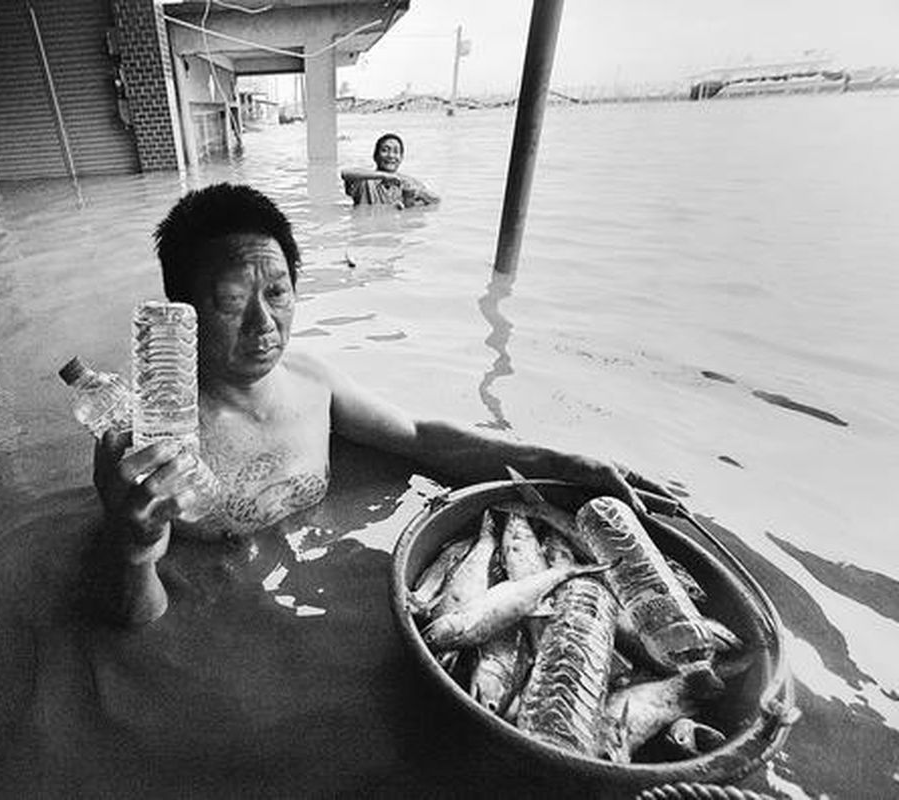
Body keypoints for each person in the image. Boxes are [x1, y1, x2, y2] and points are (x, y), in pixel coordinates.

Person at [92, 183, 638, 625]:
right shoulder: (144, 445)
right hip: (218, 617)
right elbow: (134, 620)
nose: (264, 325)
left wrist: (561, 464)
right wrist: (134, 549)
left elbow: (420, 438)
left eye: (278, 293)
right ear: (180, 314)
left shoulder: (313, 380)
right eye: (232, 302)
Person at [340, 133, 439, 208]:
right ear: (375, 156)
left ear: (401, 158)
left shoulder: (408, 182)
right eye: (385, 150)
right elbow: (345, 173)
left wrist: (412, 199)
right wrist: (383, 176)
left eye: (396, 152)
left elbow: (436, 201)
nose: (391, 156)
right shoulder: (364, 180)